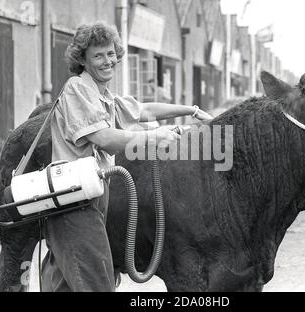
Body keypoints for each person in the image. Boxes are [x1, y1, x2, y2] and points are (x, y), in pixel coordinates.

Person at [41, 21, 213, 292]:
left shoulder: (104, 97)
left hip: (90, 199)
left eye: (110, 53)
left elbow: (143, 109)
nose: (107, 61)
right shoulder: (78, 88)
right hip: (74, 203)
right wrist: (153, 138)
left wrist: (191, 110)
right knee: (98, 283)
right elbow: (104, 137)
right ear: (83, 61)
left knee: (65, 282)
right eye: (98, 55)